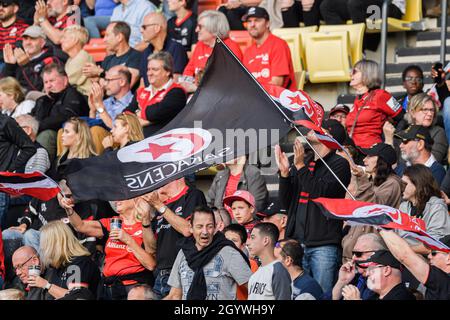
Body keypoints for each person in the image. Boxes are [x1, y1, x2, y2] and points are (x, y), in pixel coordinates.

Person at [276, 119, 351, 292]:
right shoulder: (304, 159)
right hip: (296, 242)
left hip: (323, 246)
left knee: (322, 294)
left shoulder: (339, 164)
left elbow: (319, 191)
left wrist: (300, 166)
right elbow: (287, 202)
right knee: (296, 294)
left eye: (319, 128)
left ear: (330, 136)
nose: (311, 130)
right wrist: (285, 174)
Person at [59, 194, 156, 300]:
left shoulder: (146, 226)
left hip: (134, 288)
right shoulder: (112, 223)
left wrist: (128, 240)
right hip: (108, 287)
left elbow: (151, 264)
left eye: (122, 196)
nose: (116, 200)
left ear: (136, 199)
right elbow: (80, 226)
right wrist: (69, 210)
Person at [165, 206, 252, 300]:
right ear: (191, 227)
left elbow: (254, 288)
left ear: (215, 228)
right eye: (200, 226)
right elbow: (174, 296)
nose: (205, 232)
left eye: (209, 226)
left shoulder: (229, 252)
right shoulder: (183, 253)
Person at [142, 177, 207, 299]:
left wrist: (158, 205)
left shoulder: (192, 195)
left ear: (177, 177)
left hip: (182, 272)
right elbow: (151, 249)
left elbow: (188, 230)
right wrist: (145, 220)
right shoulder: (162, 207)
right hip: (160, 275)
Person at [342, 143, 402, 262]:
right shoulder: (370, 181)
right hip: (352, 252)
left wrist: (362, 179)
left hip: (370, 255)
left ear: (381, 160)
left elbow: (373, 208)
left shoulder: (392, 183)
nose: (364, 160)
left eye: (369, 156)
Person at [27, 221, 100, 300]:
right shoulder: (58, 266)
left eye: (44, 243)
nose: (42, 248)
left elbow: (76, 297)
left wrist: (46, 285)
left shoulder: (79, 263)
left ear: (55, 244)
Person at [31, 63, 89, 161]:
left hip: (64, 135)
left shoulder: (72, 95)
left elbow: (66, 117)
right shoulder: (42, 100)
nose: (48, 86)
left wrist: (37, 126)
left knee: (46, 135)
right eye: (46, 82)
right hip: (42, 133)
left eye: (52, 81)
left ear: (65, 80)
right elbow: (33, 118)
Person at [125, 51, 187, 137]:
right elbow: (125, 114)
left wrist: (139, 113)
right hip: (137, 140)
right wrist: (148, 120)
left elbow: (156, 113)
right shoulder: (141, 91)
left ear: (168, 71)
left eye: (155, 69)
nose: (149, 73)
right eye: (148, 69)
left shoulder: (177, 92)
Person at [346, 59, 403, 149]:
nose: (350, 74)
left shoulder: (381, 95)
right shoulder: (358, 99)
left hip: (371, 151)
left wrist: (391, 138)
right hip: (354, 150)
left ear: (366, 74)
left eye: (354, 71)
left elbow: (403, 116)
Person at [181, 10, 242, 93]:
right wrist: (187, 83)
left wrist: (196, 89)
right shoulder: (200, 45)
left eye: (200, 27)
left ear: (213, 29)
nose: (196, 30)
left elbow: (230, 82)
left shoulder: (230, 48)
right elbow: (188, 71)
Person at [379, 230, 450, 300]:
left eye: (434, 253)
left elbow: (404, 256)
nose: (429, 256)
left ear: (448, 258)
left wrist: (381, 225)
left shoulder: (443, 281)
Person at [242, 6, 296, 91]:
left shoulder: (278, 45)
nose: (252, 25)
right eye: (249, 21)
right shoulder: (248, 51)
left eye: (257, 20)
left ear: (267, 24)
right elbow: (245, 83)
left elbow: (277, 84)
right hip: (256, 99)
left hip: (277, 100)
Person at [399, 164, 450, 254]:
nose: (401, 187)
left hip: (427, 260)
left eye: (405, 184)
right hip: (404, 257)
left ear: (418, 184)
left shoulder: (436, 207)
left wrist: (405, 251)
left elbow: (436, 244)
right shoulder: (403, 206)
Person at [2, 25, 66, 92]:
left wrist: (26, 65)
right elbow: (4, 89)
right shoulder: (18, 60)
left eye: (33, 39)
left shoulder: (51, 61)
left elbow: (39, 89)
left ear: (42, 43)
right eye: (25, 39)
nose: (28, 43)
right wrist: (9, 66)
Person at [82, 21, 142, 88]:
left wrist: (100, 73)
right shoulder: (108, 59)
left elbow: (125, 85)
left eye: (107, 35)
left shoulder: (137, 57)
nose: (104, 40)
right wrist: (96, 80)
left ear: (119, 37)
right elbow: (104, 88)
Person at [325, 233, 383, 300]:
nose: (353, 258)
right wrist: (341, 282)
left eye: (358, 254)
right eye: (353, 253)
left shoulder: (382, 281)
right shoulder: (353, 276)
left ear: (376, 254)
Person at [341, 249, 415, 300]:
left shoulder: (403, 296)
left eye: (371, 269)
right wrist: (341, 281)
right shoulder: (373, 296)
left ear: (386, 270)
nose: (367, 273)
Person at [139, 12, 187, 87]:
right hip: (149, 97)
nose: (141, 30)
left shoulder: (176, 48)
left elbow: (176, 81)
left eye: (144, 27)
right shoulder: (146, 52)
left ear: (157, 28)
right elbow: (142, 83)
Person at [247, 222, 292, 300]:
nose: (248, 243)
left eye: (253, 237)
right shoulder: (257, 273)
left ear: (265, 240)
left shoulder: (278, 271)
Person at [399, 93, 448, 164]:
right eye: (425, 109)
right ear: (412, 112)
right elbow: (399, 162)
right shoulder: (404, 131)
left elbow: (432, 162)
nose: (430, 114)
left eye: (432, 110)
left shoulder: (438, 132)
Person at [60, 25, 94, 97]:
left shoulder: (83, 57)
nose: (61, 41)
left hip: (84, 99)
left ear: (75, 40)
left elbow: (66, 82)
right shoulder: (70, 59)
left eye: (64, 38)